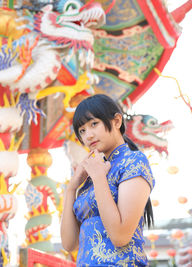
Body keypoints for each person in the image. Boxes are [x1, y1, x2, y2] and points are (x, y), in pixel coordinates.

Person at [60, 94, 154, 266]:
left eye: (94, 124)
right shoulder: (91, 178)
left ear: (117, 121)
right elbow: (69, 244)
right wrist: (72, 188)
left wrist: (98, 177)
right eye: (82, 131)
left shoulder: (133, 161)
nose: (88, 135)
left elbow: (120, 236)